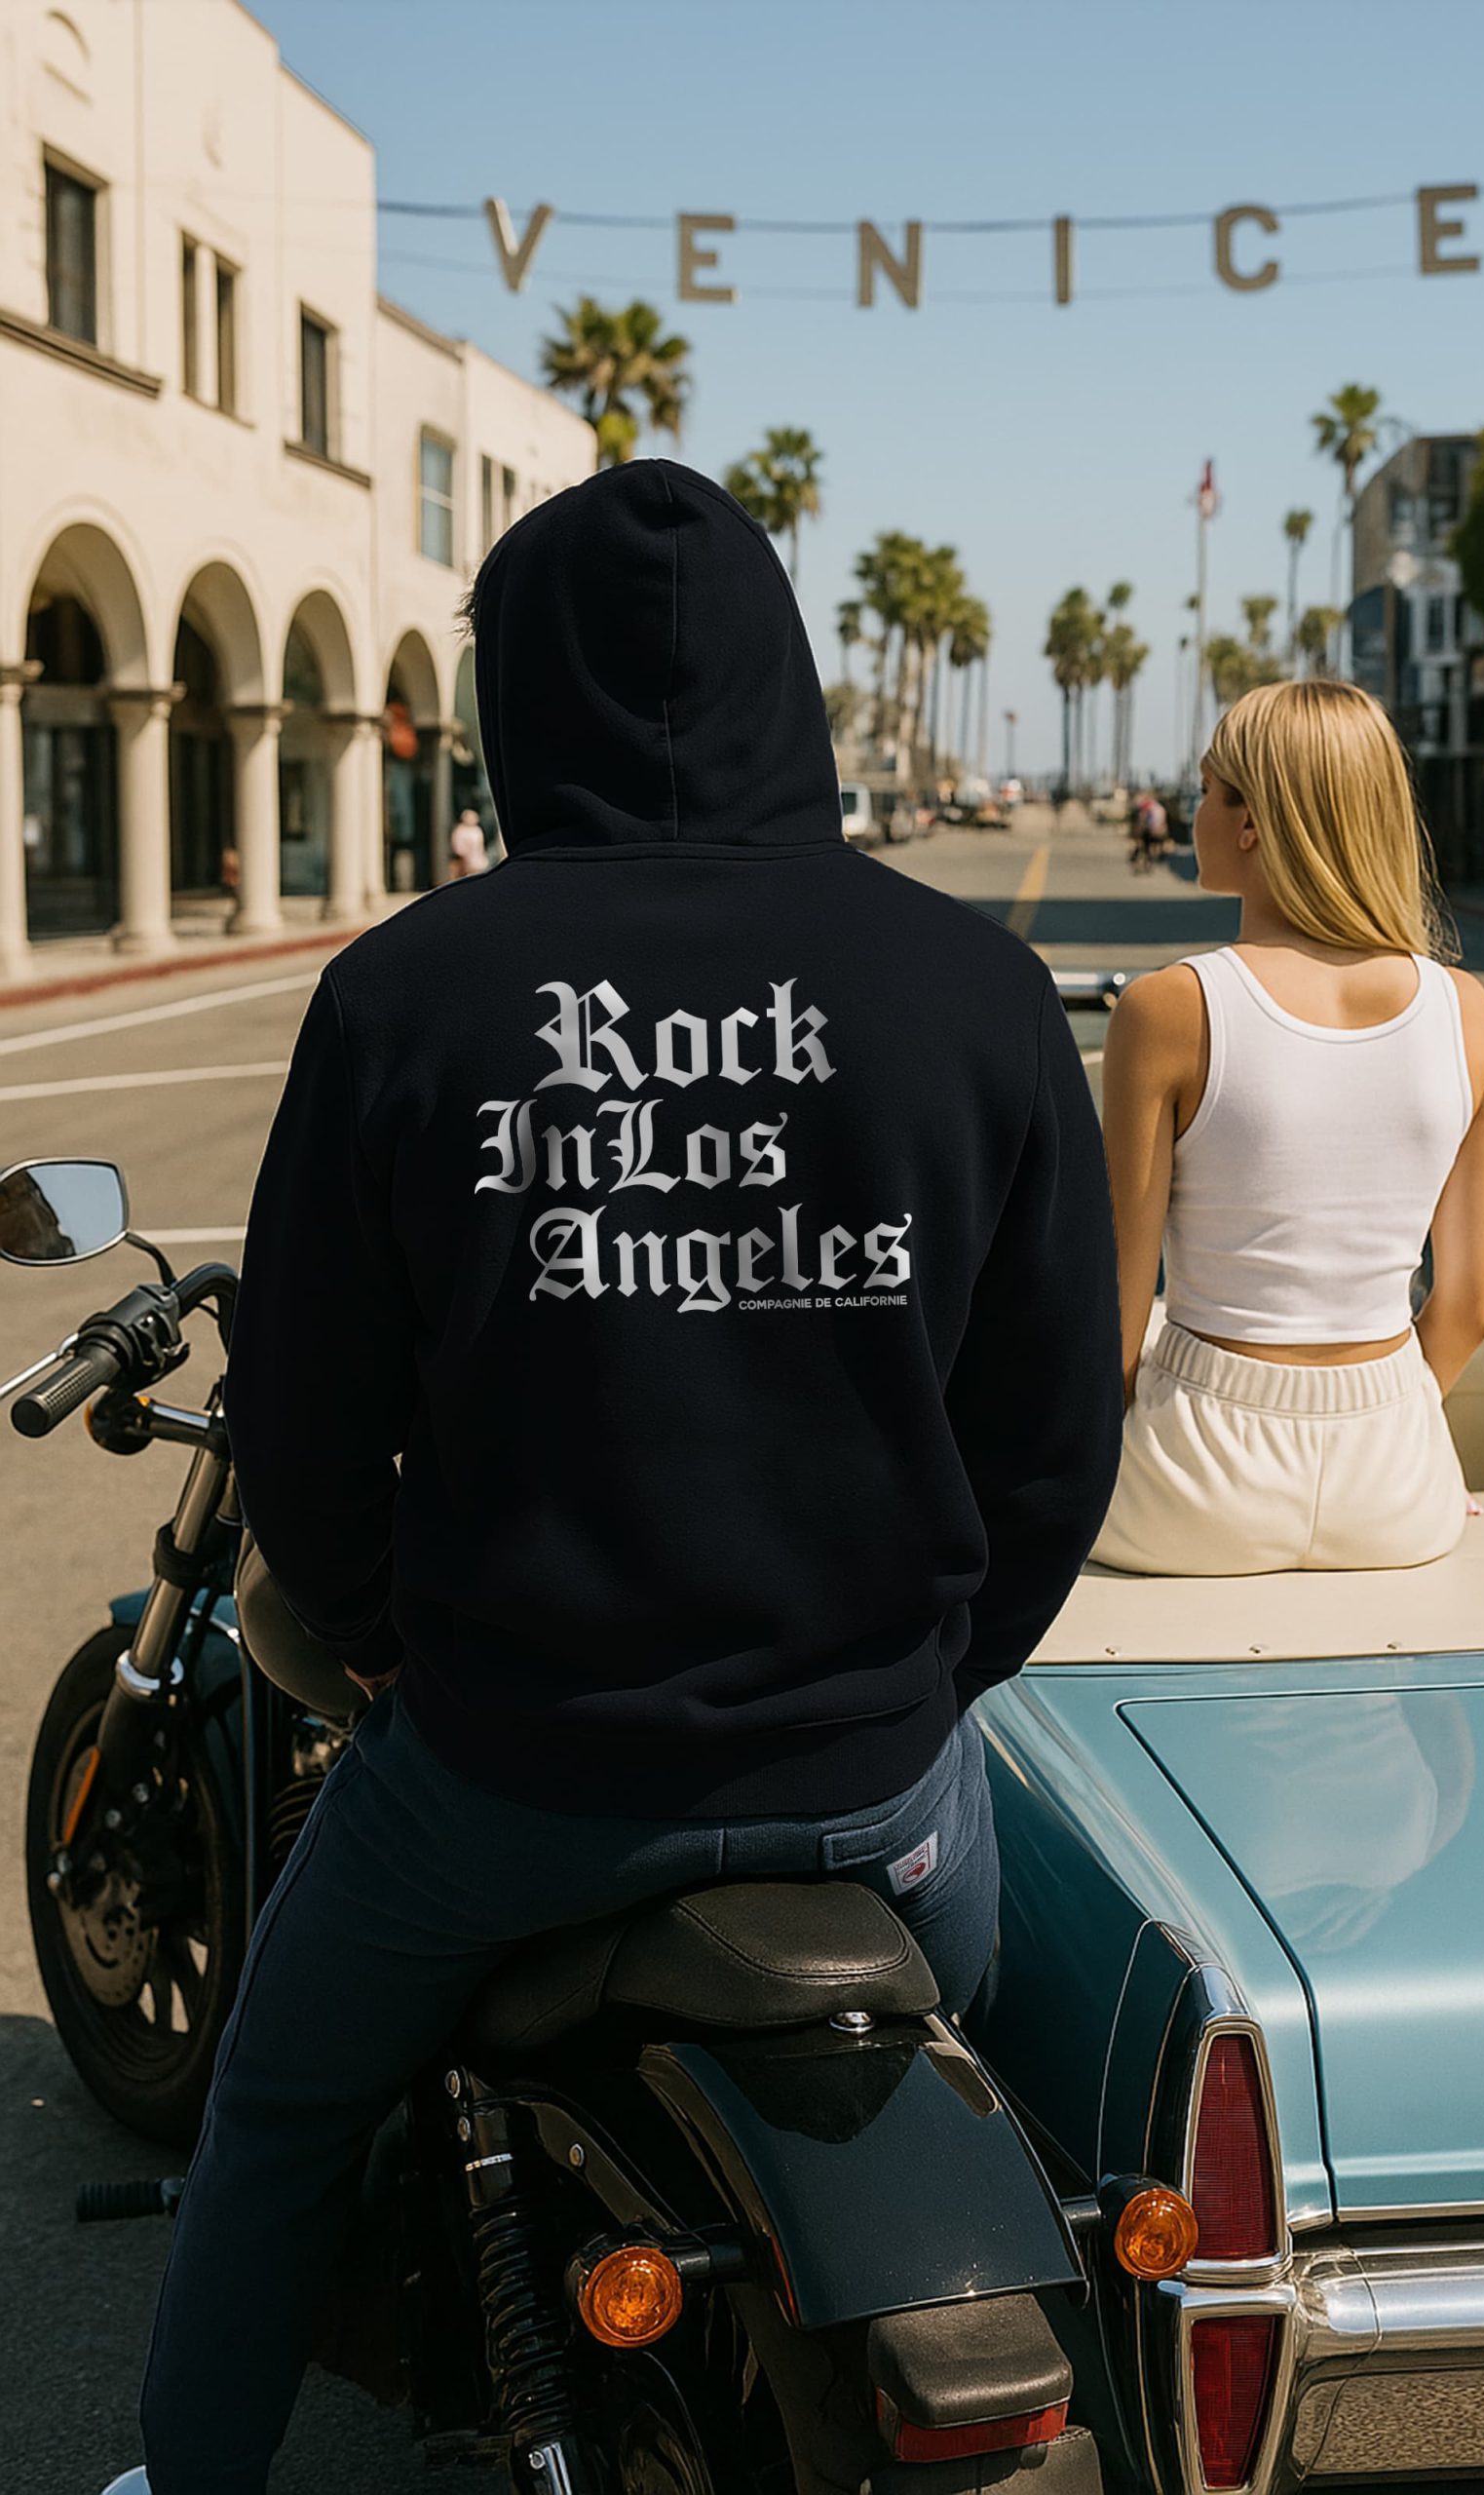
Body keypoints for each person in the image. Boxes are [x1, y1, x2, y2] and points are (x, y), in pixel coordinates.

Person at [120, 460, 1120, 2495]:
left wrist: (383, 1640)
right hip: (877, 1781)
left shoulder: (405, 994)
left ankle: (187, 2468)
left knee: (280, 2102)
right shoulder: (980, 993)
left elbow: (304, 1418)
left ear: (519, 698)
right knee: (996, 2073)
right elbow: (1055, 1437)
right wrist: (931, 1668)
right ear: (787, 675)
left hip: (514, 1768)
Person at [1092, 676, 1484, 1577]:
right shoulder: (1465, 1010)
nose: (1193, 812)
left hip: (1197, 1481)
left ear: (1250, 822)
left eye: (1206, 790)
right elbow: (1473, 1305)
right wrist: (1398, 1430)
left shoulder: (1170, 1007)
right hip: (1399, 1486)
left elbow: (1115, 1314)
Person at [448, 803, 488, 877]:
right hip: (464, 862)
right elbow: (458, 848)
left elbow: (480, 846)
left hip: (477, 860)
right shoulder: (460, 830)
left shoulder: (477, 830)